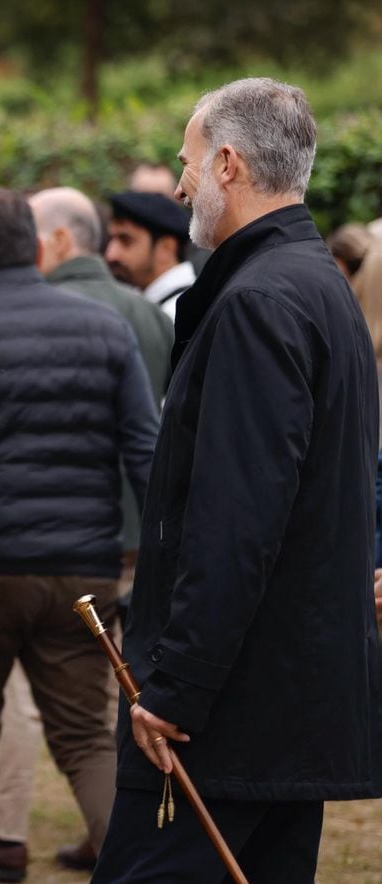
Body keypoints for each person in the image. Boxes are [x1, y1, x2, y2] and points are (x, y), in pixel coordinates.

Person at [94, 77, 382, 883]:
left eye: (185, 163)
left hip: (228, 716)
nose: (179, 183)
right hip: (278, 702)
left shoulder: (264, 299)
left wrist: (175, 689)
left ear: (227, 162)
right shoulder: (314, 282)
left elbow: (237, 521)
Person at [0, 188, 159, 884]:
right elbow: (144, 450)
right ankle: (130, 869)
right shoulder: (104, 328)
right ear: (39, 251)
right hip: (84, 571)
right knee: (85, 738)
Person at [105, 191, 195, 319]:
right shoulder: (147, 305)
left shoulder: (181, 314)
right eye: (112, 239)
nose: (111, 254)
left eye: (126, 241)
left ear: (166, 248)